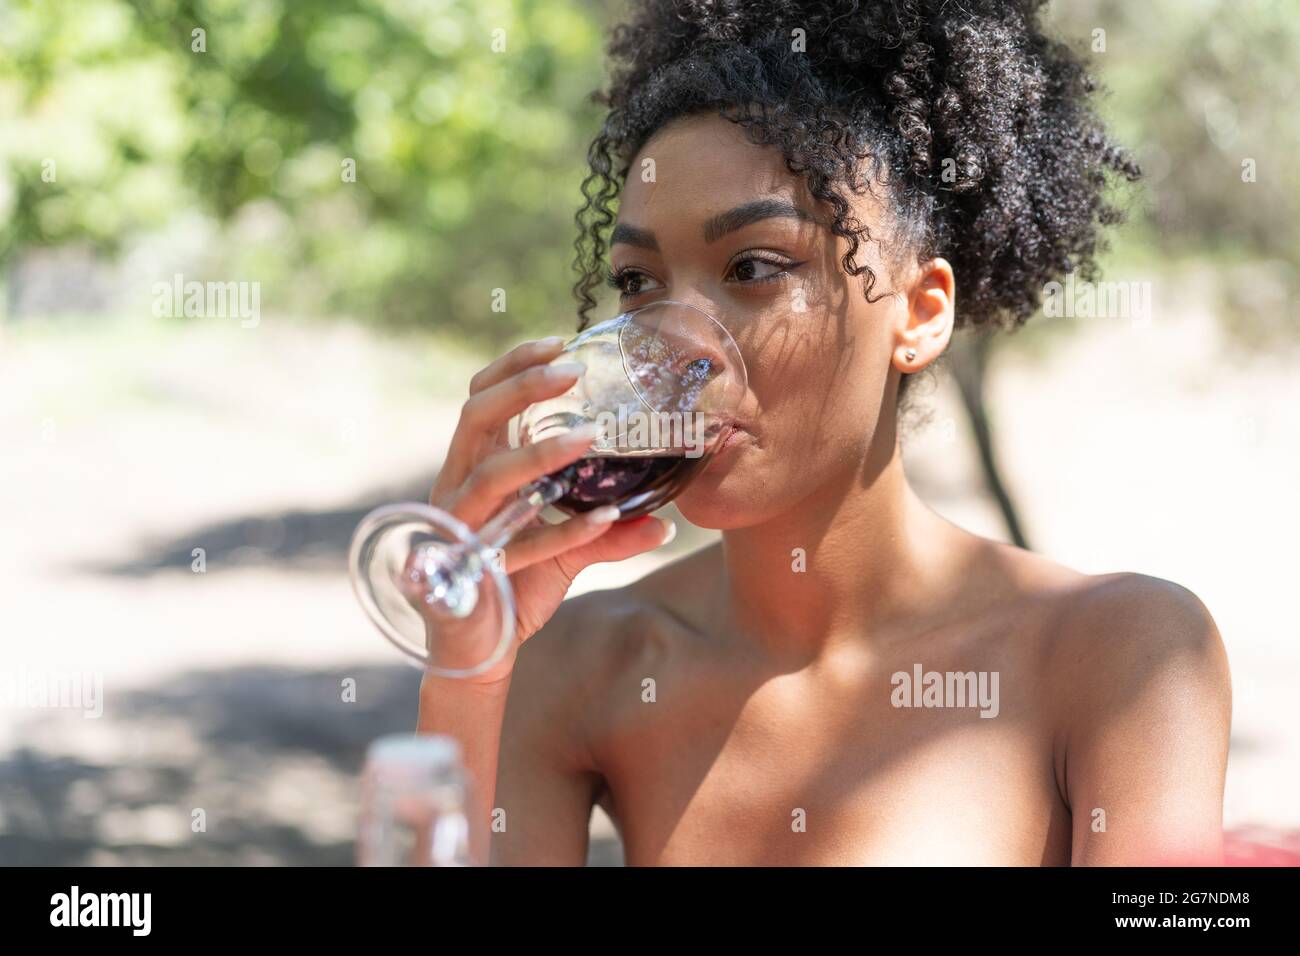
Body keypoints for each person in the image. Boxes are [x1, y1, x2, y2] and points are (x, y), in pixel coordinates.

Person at [417, 0, 1230, 865]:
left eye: (755, 267)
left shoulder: (1128, 655)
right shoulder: (578, 664)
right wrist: (467, 666)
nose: (673, 351)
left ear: (918, 314)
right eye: (637, 282)